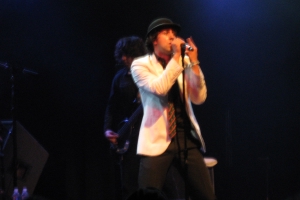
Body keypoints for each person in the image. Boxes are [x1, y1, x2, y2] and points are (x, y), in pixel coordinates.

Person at [130, 18, 217, 200]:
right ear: (154, 39)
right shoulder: (140, 65)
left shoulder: (183, 62)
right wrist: (178, 57)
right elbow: (160, 88)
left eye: (174, 34)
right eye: (166, 33)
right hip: (157, 140)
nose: (172, 37)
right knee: (146, 195)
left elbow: (199, 98)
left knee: (207, 196)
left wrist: (194, 64)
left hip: (186, 138)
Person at [104, 36, 146, 200]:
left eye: (127, 54)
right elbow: (111, 106)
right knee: (128, 187)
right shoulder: (119, 77)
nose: (123, 58)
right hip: (126, 138)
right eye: (121, 54)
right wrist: (107, 129)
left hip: (147, 136)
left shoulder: (149, 76)